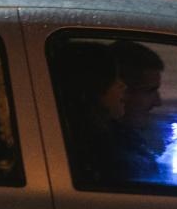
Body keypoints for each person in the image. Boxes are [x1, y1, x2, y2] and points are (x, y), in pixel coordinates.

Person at [53, 41, 128, 187]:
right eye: (114, 77)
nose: (123, 85)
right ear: (94, 85)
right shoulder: (87, 150)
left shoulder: (115, 137)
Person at [110, 39, 166, 181]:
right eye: (149, 91)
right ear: (120, 92)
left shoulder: (129, 143)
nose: (157, 102)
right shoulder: (114, 156)